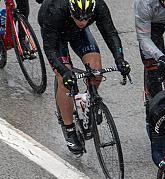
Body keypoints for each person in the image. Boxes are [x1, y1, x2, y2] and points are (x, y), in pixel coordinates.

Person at [38, 0, 131, 154]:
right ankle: (69, 128)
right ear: (71, 9)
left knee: (96, 70)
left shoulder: (98, 6)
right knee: (64, 79)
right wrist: (64, 71)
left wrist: (119, 59)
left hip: (77, 34)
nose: (82, 22)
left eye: (86, 18)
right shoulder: (55, 10)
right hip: (55, 35)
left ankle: (86, 100)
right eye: (78, 18)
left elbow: (110, 33)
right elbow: (50, 49)